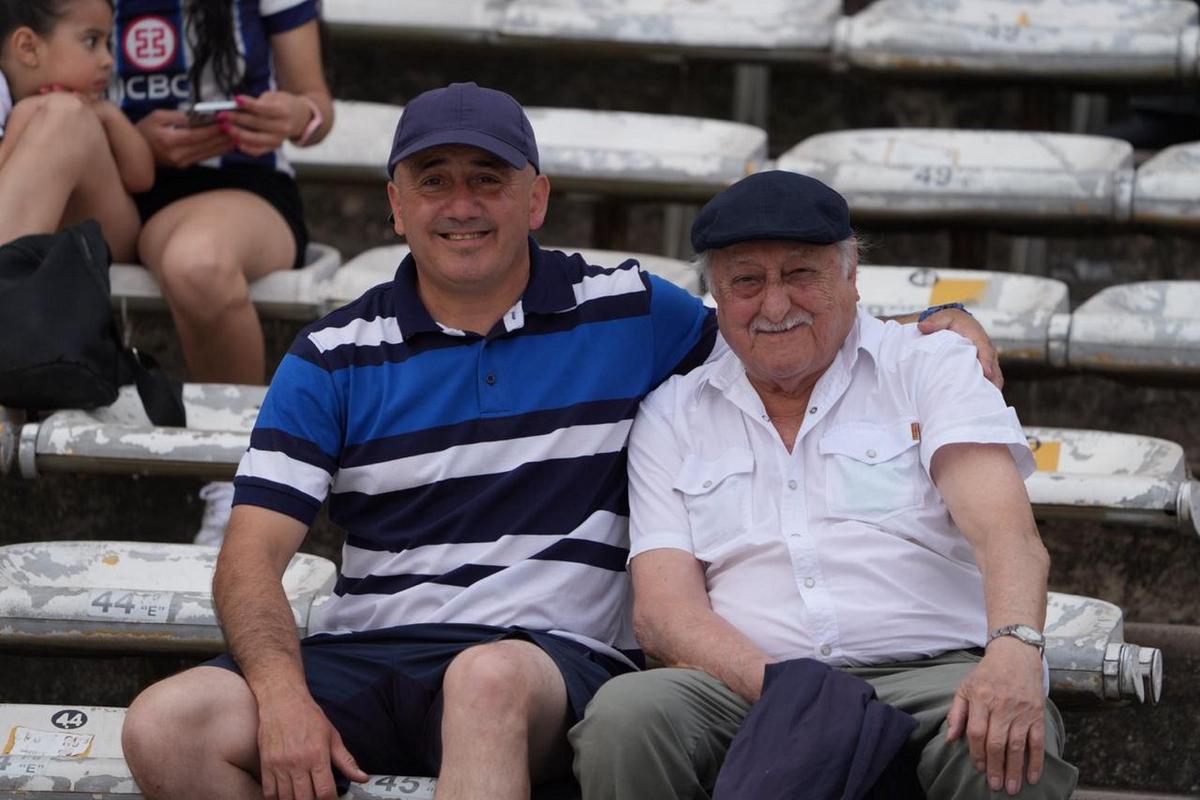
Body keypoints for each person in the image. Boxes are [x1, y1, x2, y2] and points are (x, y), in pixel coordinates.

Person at [121, 83, 1003, 800]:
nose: (461, 205)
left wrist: (930, 321)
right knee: (166, 725)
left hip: (550, 659)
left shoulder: (627, 309)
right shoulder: (332, 355)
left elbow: (772, 322)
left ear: (535, 197)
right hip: (371, 650)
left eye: (488, 180)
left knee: (485, 680)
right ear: (394, 204)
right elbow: (246, 565)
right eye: (433, 181)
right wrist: (280, 699)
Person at [570, 171, 1079, 800]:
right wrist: (797, 695)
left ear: (850, 274)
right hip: (749, 685)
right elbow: (665, 611)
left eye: (801, 274)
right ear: (717, 298)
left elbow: (1006, 533)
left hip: (931, 673)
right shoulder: (673, 411)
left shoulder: (928, 364)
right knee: (627, 718)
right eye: (747, 281)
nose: (775, 305)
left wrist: (1014, 649)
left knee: (996, 735)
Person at [109, 0, 334, 545]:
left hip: (239, 184)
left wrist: (297, 115)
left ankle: (241, 486)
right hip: (107, 183)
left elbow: (316, 102)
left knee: (198, 264)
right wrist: (129, 136)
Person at [0, 0, 153, 261]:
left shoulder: (95, 104)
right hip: (24, 226)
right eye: (91, 41)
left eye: (108, 44)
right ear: (28, 47)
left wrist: (110, 116)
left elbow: (142, 178)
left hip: (105, 237)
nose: (108, 60)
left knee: (65, 114)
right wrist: (25, 119)